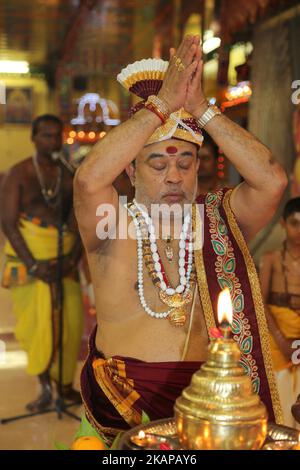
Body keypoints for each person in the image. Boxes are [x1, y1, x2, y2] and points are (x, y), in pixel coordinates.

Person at [74, 36, 287, 444]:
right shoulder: (111, 224)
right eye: (158, 163)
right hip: (124, 410)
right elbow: (87, 179)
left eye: (184, 162)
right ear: (132, 173)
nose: (174, 176)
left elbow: (273, 180)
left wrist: (202, 109)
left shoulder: (218, 216)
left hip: (211, 407)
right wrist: (160, 107)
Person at [0, 114, 84, 412]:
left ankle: (64, 386)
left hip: (64, 262)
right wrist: (35, 266)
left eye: (56, 135)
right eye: (46, 135)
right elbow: (8, 223)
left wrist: (71, 260)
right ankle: (45, 387)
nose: (52, 141)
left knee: (72, 324)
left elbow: (78, 222)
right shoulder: (18, 173)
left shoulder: (69, 173)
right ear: (33, 138)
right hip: (30, 261)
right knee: (36, 326)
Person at [259, 198, 300, 428]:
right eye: (295, 223)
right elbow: (260, 303)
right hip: (277, 338)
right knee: (280, 395)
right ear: (284, 224)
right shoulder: (271, 259)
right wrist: (282, 340)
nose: (299, 230)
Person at [197, 131, 225, 196]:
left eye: (205, 158)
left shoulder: (228, 193)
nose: (200, 163)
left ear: (216, 161)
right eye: (197, 158)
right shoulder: (185, 193)